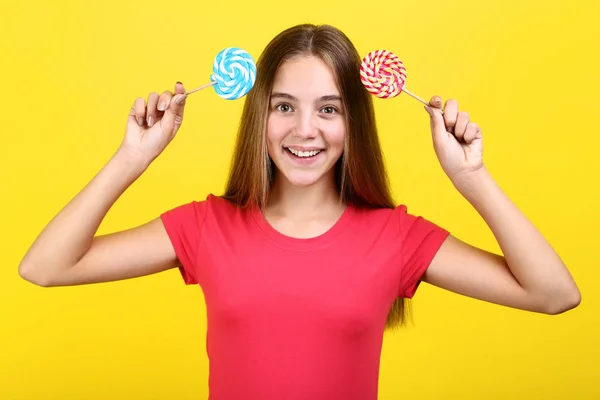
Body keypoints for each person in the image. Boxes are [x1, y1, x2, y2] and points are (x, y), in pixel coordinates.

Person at [18, 23, 580, 399]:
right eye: (284, 106)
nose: (304, 130)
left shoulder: (396, 237)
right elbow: (45, 266)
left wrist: (472, 179)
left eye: (328, 109)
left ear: (354, 120)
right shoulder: (206, 226)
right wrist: (130, 158)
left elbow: (554, 294)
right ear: (259, 114)